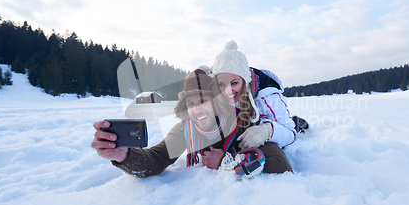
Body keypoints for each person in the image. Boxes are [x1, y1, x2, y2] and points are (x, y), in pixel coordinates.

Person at [91, 67, 293, 178]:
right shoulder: (185, 130)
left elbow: (280, 164)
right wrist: (123, 156)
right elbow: (155, 160)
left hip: (274, 127)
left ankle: (297, 123)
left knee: (292, 126)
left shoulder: (245, 124)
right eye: (190, 104)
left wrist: (226, 163)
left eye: (204, 101)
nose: (197, 110)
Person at [210, 41, 306, 151]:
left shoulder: (269, 98)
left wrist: (267, 131)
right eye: (221, 84)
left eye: (234, 83)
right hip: (247, 125)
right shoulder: (216, 93)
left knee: (289, 125)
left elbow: (290, 133)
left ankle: (297, 121)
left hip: (275, 123)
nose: (227, 91)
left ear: (245, 81)